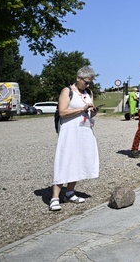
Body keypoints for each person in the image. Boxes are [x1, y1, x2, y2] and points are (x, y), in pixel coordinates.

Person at [49, 66, 100, 212]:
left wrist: (93, 112)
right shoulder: (67, 91)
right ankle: (55, 197)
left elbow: (89, 113)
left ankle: (70, 192)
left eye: (90, 82)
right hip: (69, 131)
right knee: (65, 159)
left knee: (79, 160)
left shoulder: (88, 92)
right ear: (78, 78)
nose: (88, 85)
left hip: (84, 130)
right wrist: (82, 109)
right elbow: (63, 112)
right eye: (86, 82)